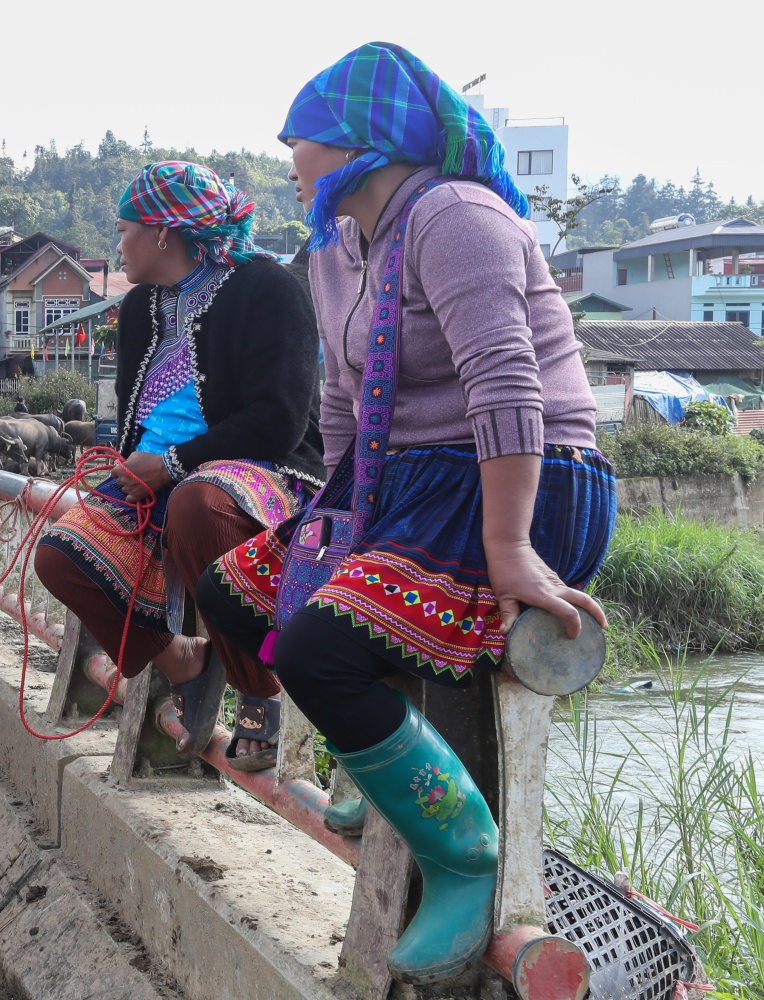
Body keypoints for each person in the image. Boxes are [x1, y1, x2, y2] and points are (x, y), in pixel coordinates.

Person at [191, 43, 615, 985]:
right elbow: (342, 403)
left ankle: (463, 854)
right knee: (238, 593)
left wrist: (509, 546)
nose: (287, 154)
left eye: (299, 137)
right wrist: (335, 523)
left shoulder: (457, 219)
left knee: (318, 646)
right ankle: (370, 766)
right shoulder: (339, 247)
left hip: (520, 480)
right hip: (402, 482)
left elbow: (509, 386)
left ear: (360, 143)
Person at [33, 161, 325, 771]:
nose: (117, 245)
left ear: (163, 232)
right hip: (157, 477)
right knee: (60, 552)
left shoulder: (269, 288)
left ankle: (257, 689)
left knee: (197, 503)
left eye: (123, 229)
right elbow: (138, 419)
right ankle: (179, 659)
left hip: (261, 473)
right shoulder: (141, 307)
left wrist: (171, 464)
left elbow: (280, 420)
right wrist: (135, 469)